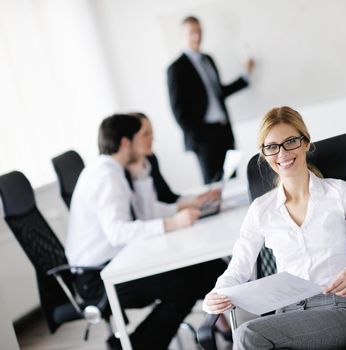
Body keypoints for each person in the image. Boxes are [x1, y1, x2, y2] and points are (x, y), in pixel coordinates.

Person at [203, 106, 346, 349]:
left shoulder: (338, 192)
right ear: (264, 154)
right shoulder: (260, 209)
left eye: (291, 142)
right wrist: (217, 294)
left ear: (305, 143)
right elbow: (237, 270)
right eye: (272, 147)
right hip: (286, 315)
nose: (282, 153)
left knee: (248, 335)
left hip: (337, 310)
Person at [65, 113, 226, 349]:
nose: (151, 139)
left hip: (116, 262)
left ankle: (223, 329)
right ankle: (138, 345)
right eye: (143, 135)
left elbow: (145, 214)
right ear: (125, 142)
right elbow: (118, 232)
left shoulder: (115, 170)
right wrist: (173, 222)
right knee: (185, 282)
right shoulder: (107, 175)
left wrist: (141, 175)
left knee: (208, 269)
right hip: (98, 277)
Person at [167, 15, 255, 184]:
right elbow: (178, 111)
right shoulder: (176, 68)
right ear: (182, 36)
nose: (197, 36)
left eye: (199, 31)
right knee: (214, 186)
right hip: (204, 138)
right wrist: (199, 137)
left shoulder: (208, 59)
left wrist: (245, 76)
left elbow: (218, 92)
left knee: (233, 180)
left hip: (224, 130)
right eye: (192, 32)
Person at [126, 112, 220, 211]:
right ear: (130, 139)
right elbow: (144, 212)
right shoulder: (123, 172)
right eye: (146, 134)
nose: (152, 138)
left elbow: (168, 197)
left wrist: (199, 197)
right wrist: (187, 206)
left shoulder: (151, 159)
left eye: (152, 132)